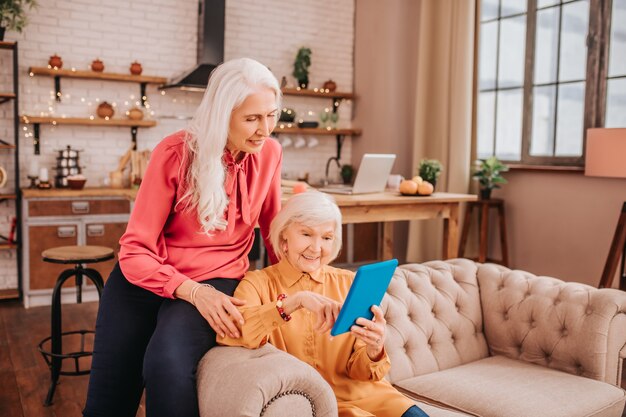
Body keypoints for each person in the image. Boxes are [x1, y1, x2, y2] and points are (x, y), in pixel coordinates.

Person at [83, 57, 283, 417]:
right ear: (223, 115)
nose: (265, 129)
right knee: (106, 403)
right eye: (252, 118)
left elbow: (273, 231)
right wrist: (190, 290)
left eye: (271, 115)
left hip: (216, 278)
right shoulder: (175, 153)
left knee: (166, 363)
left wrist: (292, 287)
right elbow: (134, 250)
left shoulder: (269, 153)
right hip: (144, 279)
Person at [219, 191, 429, 417]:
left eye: (327, 238)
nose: (316, 248)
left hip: (373, 397)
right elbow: (235, 333)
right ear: (283, 239)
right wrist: (294, 302)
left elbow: (362, 372)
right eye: (306, 234)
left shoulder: (349, 283)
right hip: (315, 406)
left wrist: (374, 348)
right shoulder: (257, 283)